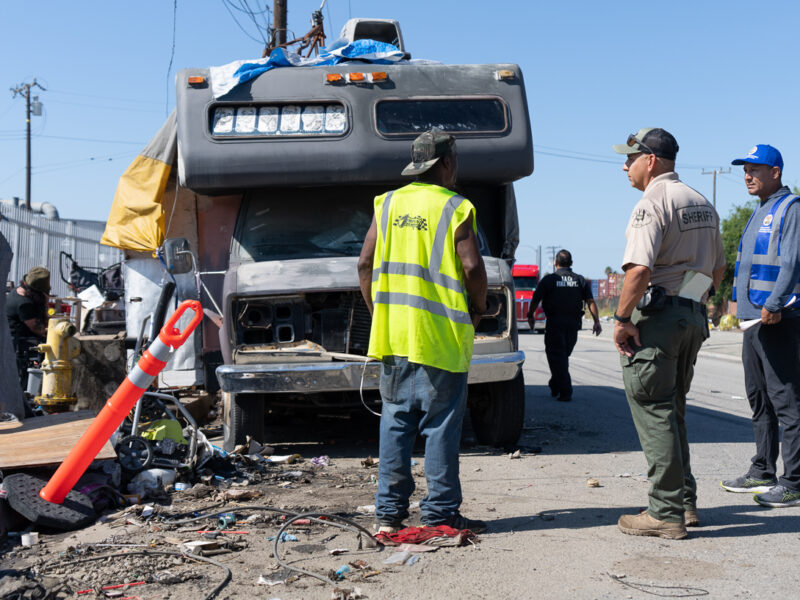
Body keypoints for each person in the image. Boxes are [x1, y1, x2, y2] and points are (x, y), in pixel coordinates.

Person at [357, 128, 488, 534]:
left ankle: (388, 515)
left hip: (394, 337)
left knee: (395, 422)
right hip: (441, 338)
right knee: (441, 426)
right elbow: (471, 267)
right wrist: (478, 309)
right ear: (446, 163)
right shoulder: (455, 207)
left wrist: (379, 311)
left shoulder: (388, 203)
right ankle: (440, 514)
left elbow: (364, 264)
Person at [612, 128, 725, 539]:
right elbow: (717, 271)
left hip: (657, 323)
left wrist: (622, 319)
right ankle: (685, 502)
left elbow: (639, 271)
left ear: (651, 161)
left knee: (654, 408)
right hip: (691, 318)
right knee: (673, 410)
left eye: (630, 158)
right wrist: (685, 302)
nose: (625, 166)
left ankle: (664, 512)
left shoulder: (652, 202)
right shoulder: (702, 203)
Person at [720, 145, 800, 508]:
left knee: (786, 401)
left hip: (778, 318)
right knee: (759, 399)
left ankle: (794, 481)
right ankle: (762, 469)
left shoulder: (790, 208)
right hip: (753, 319)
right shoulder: (758, 212)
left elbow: (793, 262)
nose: (748, 175)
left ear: (776, 172)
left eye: (755, 169)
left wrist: (773, 303)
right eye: (745, 169)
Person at [526, 249, 601, 402]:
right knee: (562, 356)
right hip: (573, 325)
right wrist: (596, 321)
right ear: (571, 263)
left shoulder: (549, 280)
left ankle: (565, 390)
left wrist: (530, 315)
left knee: (557, 357)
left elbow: (535, 299)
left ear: (555, 263)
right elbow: (590, 301)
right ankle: (555, 384)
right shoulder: (579, 280)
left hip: (555, 324)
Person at [6, 266, 50, 387]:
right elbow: (39, 329)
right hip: (19, 341)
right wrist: (46, 305)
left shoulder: (18, 291)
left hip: (20, 338)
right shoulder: (24, 304)